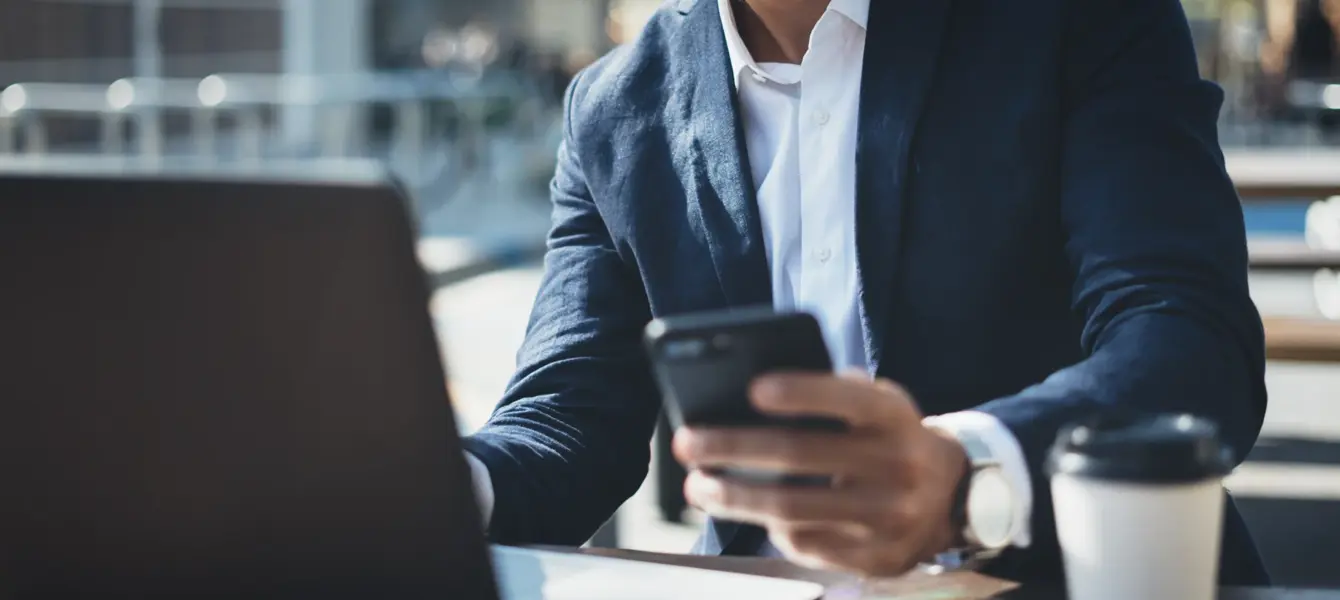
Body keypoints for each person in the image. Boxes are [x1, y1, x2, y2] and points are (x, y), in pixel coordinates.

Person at [461, 0, 1271, 585]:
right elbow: (565, 421)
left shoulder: (1076, 20)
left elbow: (1187, 345)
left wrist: (966, 474)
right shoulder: (614, 108)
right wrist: (430, 487)